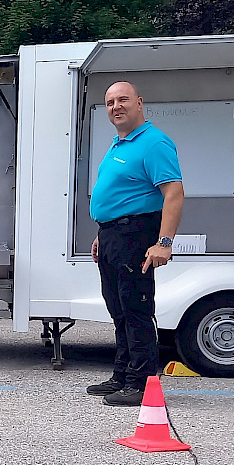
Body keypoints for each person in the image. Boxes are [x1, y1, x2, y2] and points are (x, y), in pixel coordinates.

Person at [86, 81, 185, 407]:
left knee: (136, 310)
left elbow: (174, 193)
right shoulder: (119, 144)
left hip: (135, 236)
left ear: (139, 103)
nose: (116, 106)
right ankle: (122, 376)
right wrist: (103, 233)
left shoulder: (154, 143)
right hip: (113, 235)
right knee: (118, 310)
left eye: (123, 100)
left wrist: (164, 242)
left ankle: (140, 384)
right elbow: (122, 195)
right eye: (110, 102)